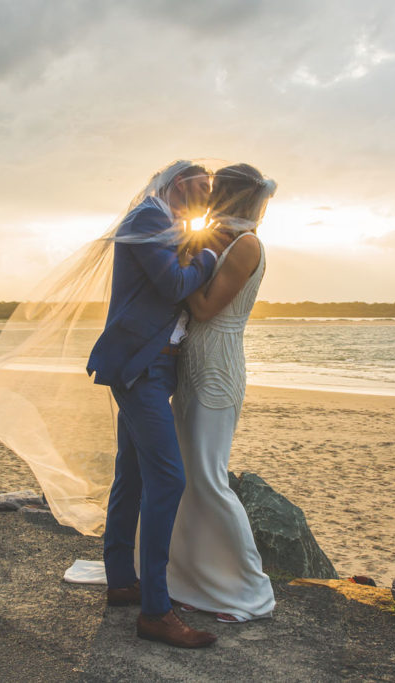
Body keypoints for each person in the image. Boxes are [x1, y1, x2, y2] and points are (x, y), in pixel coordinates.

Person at [86, 160, 233, 649]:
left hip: (155, 365)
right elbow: (173, 285)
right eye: (199, 184)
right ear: (173, 182)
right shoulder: (148, 218)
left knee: (131, 473)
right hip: (139, 366)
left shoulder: (167, 223)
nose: (205, 194)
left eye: (211, 190)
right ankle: (155, 610)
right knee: (167, 478)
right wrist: (211, 256)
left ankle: (121, 581)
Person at [166, 163, 278, 624]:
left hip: (217, 368)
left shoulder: (247, 244)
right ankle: (191, 579)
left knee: (210, 476)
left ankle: (251, 590)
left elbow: (208, 307)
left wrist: (181, 270)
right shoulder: (220, 237)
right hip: (192, 364)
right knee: (185, 475)